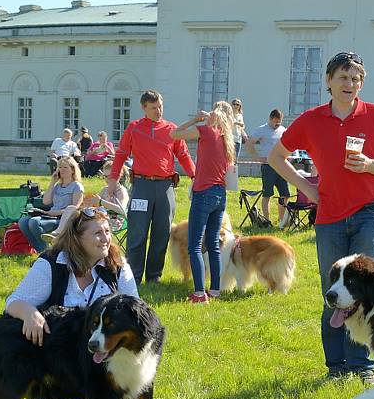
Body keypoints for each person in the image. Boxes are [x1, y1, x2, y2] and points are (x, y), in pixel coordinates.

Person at [268, 51, 374, 385]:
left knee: (367, 290)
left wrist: (371, 165)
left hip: (370, 212)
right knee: (332, 292)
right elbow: (275, 156)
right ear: (329, 81)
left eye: (356, 78)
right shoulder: (311, 120)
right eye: (343, 77)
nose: (350, 84)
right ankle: (336, 367)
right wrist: (307, 188)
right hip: (329, 216)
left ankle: (363, 367)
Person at [6, 207, 138, 399]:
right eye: (97, 233)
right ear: (77, 238)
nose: (106, 238)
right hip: (61, 355)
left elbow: (135, 311)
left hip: (104, 351)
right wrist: (30, 313)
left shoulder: (119, 267)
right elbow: (13, 303)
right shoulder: (51, 264)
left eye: (107, 231)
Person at [107, 90, 196, 284]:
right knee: (137, 232)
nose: (158, 111)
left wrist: (195, 176)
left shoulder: (172, 129)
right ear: (144, 108)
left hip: (165, 186)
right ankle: (133, 275)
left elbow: (183, 155)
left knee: (162, 232)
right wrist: (113, 181)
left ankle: (154, 276)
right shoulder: (134, 128)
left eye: (160, 107)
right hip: (141, 185)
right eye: (154, 108)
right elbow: (121, 154)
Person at [170, 100, 234, 303]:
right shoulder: (228, 139)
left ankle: (199, 293)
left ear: (214, 114)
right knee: (213, 244)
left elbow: (174, 134)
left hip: (204, 192)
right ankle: (215, 290)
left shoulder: (206, 130)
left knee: (195, 245)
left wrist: (195, 120)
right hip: (220, 194)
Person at [42, 161, 130, 245]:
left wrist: (101, 202)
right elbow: (93, 203)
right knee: (71, 208)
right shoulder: (105, 190)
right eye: (104, 176)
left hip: (113, 221)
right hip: (98, 218)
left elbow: (121, 210)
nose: (106, 179)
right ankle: (57, 234)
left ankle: (64, 242)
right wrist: (86, 203)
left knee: (78, 224)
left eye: (109, 176)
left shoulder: (121, 191)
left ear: (118, 175)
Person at [18, 156, 84, 252]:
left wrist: (54, 213)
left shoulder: (77, 186)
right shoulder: (57, 186)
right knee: (23, 222)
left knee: (34, 222)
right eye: (60, 167)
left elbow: (75, 208)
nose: (62, 170)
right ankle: (42, 250)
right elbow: (46, 202)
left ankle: (48, 252)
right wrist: (52, 182)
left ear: (73, 170)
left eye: (65, 167)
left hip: (63, 220)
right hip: (50, 215)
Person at [246, 109, 289, 227]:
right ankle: (266, 220)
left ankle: (281, 220)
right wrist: (257, 157)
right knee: (267, 194)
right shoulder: (262, 129)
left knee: (285, 194)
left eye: (279, 122)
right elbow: (249, 143)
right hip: (268, 166)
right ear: (270, 119)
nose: (277, 124)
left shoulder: (283, 130)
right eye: (275, 122)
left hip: (281, 165)